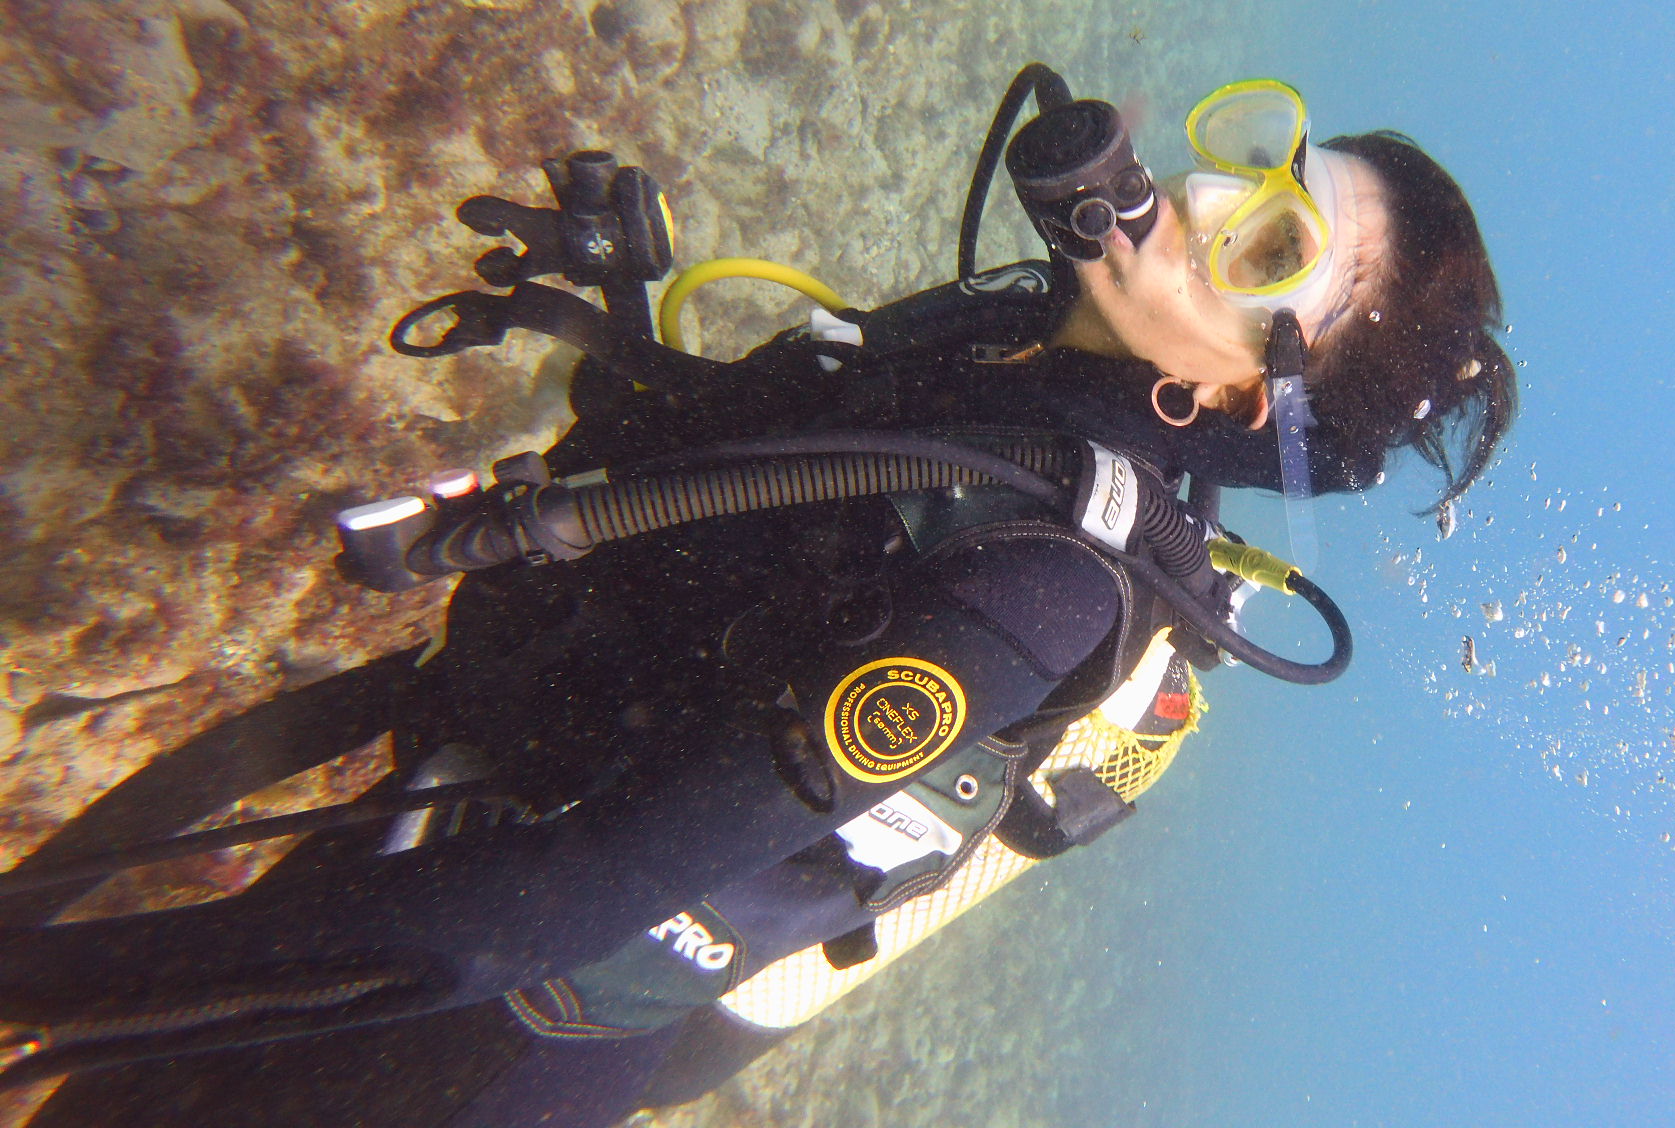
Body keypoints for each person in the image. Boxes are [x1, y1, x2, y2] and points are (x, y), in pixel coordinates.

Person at [0, 71, 1515, 1125]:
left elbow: (542, 916)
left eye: (1268, 243)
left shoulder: (1049, 582)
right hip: (453, 816)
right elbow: (742, 474)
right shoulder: (1006, 344)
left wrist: (47, 977)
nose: (1198, 190)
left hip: (471, 1045)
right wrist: (610, 321)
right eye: (1261, 161)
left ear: (1249, 398)